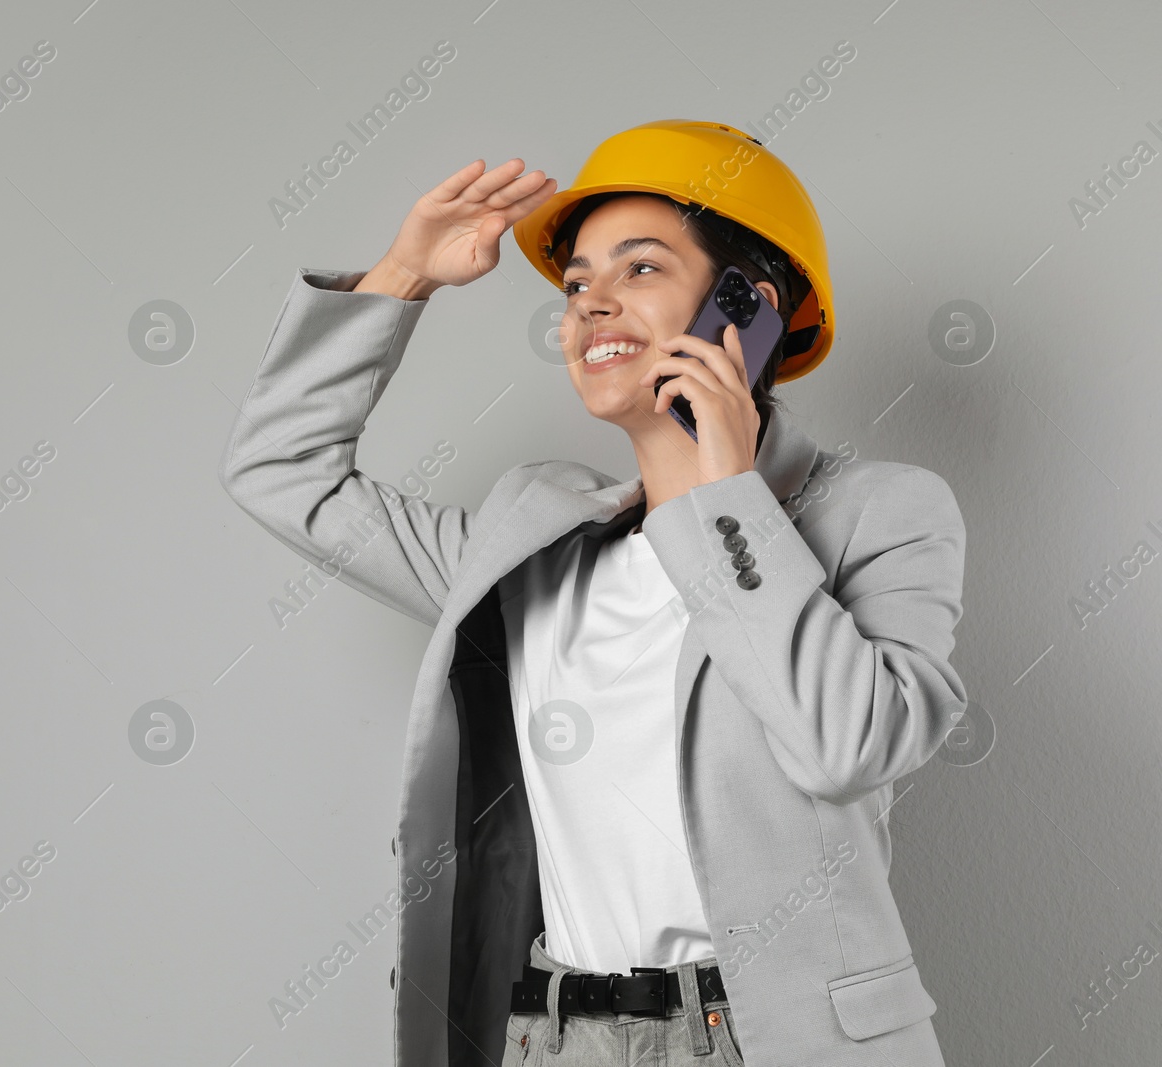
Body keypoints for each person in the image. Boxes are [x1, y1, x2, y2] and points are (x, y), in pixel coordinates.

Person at [219, 119, 967, 1067]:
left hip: (772, 1038)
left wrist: (727, 490)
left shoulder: (881, 511)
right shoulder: (526, 545)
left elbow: (847, 746)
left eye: (641, 270)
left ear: (747, 307)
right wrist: (402, 274)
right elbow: (280, 470)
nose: (591, 306)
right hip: (556, 1036)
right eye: (577, 284)